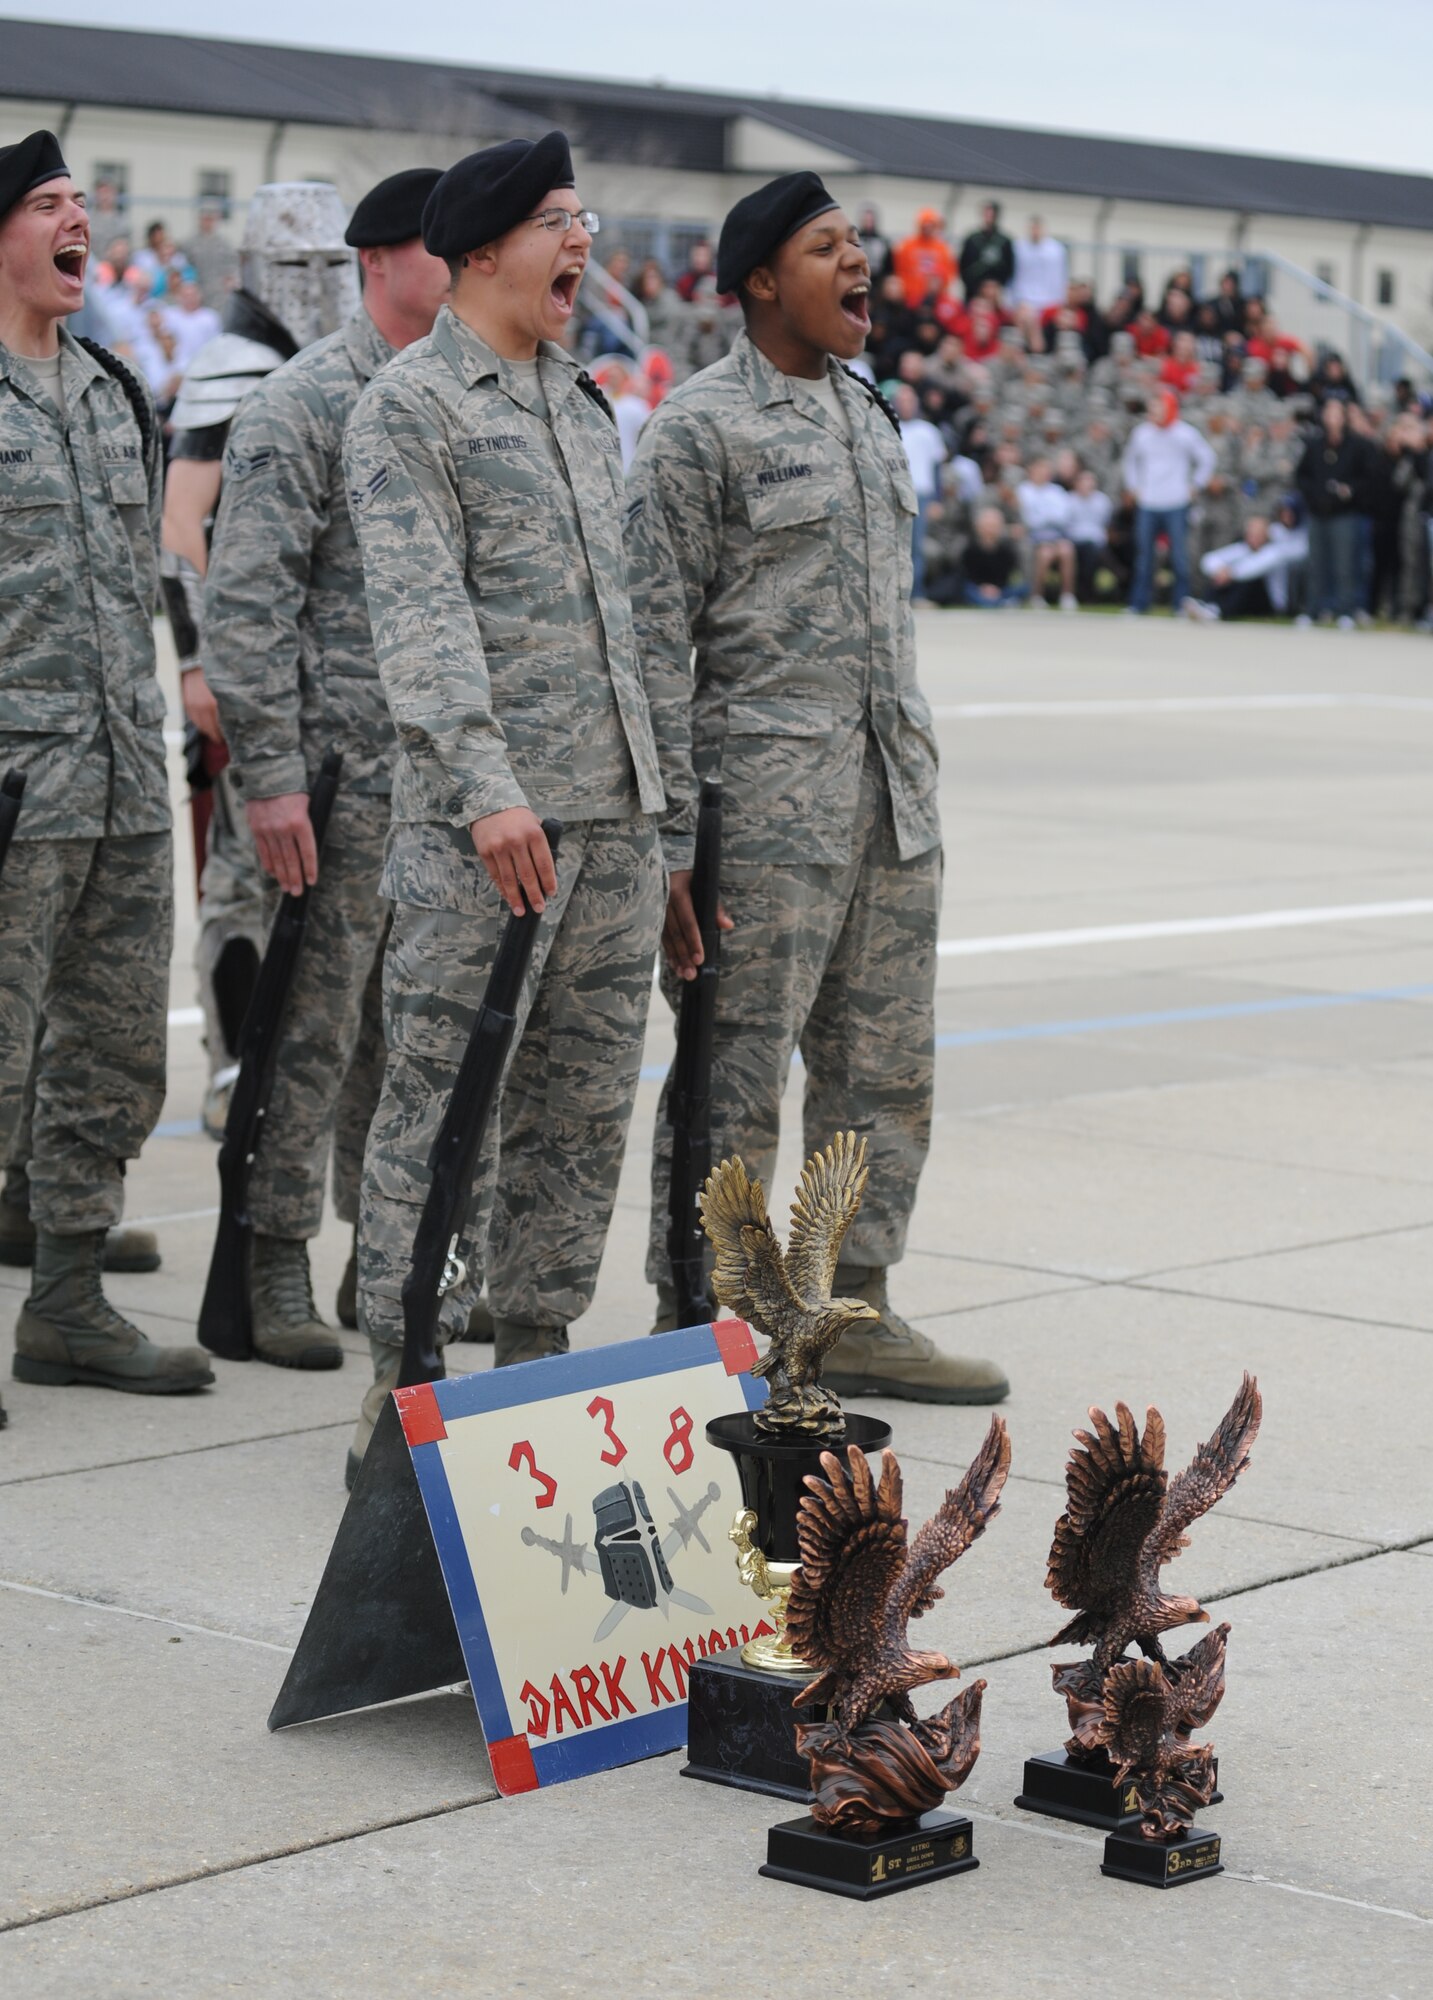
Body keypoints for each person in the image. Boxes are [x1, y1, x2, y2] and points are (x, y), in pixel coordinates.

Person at [626, 169, 1007, 1407]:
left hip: (889, 802)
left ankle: (852, 1305)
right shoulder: (698, 429)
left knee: (883, 1068)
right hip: (761, 812)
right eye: (827, 246)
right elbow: (646, 642)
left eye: (861, 245)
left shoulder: (867, 413)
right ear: (755, 281)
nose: (860, 265)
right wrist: (672, 837)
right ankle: (716, 1326)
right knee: (733, 1077)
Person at [341, 132, 666, 1480]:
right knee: (437, 1106)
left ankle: (532, 1366)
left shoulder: (584, 405)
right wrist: (485, 791)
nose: (581, 246)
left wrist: (670, 827)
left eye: (584, 221)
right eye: (557, 223)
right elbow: (422, 622)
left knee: (580, 1117)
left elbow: (632, 638)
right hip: (492, 837)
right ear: (480, 249)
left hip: (614, 831)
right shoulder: (411, 408)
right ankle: (401, 1385)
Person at [200, 168, 448, 1371]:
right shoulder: (303, 401)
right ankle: (271, 1255)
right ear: (380, 262)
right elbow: (242, 599)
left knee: (415, 1043)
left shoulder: (458, 399)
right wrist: (272, 774)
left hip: (437, 787)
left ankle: (389, 1263)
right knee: (305, 1033)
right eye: (443, 250)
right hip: (331, 782)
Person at [0, 131, 214, 1421]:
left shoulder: (112, 387)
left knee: (116, 1050)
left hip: (123, 781)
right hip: (14, 784)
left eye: (84, 204)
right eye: (46, 203)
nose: (79, 221)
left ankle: (66, 1299)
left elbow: (142, 577)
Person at [162, 184, 360, 1140]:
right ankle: (234, 1062)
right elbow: (178, 525)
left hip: (339, 683)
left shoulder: (354, 364)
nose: (322, 287)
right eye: (303, 267)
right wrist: (202, 664)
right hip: (253, 672)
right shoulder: (233, 363)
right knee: (241, 877)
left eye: (336, 264)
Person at [1122, 389, 1216, 613]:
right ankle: (1138, 603)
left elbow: (1207, 458)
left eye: (1158, 408)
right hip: (1148, 502)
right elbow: (1129, 461)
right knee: (1145, 557)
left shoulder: (1185, 434)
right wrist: (1134, 487)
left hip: (1176, 502)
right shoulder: (1141, 433)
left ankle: (1180, 604)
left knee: (1179, 557)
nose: (1153, 413)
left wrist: (1196, 485)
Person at [1296, 397, 1369, 626]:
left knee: (1344, 564)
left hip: (1344, 513)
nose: (1332, 417)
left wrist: (1350, 491)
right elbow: (1302, 475)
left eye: (1337, 412)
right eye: (1329, 412)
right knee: (1316, 563)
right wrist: (1313, 495)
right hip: (1318, 512)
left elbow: (1367, 478)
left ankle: (1345, 610)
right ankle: (1313, 609)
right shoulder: (1315, 444)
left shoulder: (1356, 445)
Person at [1186, 513, 1308, 620]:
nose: (1253, 538)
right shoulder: (1243, 548)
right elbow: (1208, 560)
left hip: (1271, 604)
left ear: (1266, 535)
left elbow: (1255, 568)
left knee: (1246, 581)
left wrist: (1230, 573)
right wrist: (1221, 571)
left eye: (1257, 534)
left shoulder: (1275, 552)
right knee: (1221, 574)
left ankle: (1218, 611)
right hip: (1246, 596)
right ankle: (1206, 604)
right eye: (1251, 534)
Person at [893, 380, 947, 602]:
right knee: (896, 544)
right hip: (896, 492)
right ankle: (895, 594)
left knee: (917, 546)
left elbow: (937, 467)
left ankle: (917, 593)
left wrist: (937, 499)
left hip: (921, 494)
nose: (906, 405)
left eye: (910, 400)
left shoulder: (928, 431)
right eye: (902, 400)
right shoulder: (889, 427)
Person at [1016, 455, 1077, 609]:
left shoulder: (1057, 491)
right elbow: (1029, 520)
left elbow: (1064, 517)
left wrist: (1044, 518)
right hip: (1035, 537)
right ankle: (1036, 595)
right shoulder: (1023, 490)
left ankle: (1067, 595)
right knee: (1045, 553)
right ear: (1032, 471)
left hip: (1056, 535)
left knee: (1066, 550)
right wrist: (1048, 518)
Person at [958, 506, 1027, 607]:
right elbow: (966, 574)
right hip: (977, 588)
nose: (990, 529)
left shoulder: (1007, 549)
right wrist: (983, 587)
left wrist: (996, 588)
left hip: (1000, 589)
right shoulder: (970, 548)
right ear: (978, 527)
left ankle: (998, 601)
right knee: (966, 589)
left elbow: (1008, 575)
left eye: (994, 526)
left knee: (1023, 588)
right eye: (988, 525)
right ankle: (999, 602)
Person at [1065, 466, 1113, 600]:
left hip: (1097, 543)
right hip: (1075, 542)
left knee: (1095, 551)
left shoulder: (1103, 501)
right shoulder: (1069, 500)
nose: (1087, 484)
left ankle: (1089, 591)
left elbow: (1106, 523)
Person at [892, 207, 955, 309]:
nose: (927, 228)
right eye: (924, 225)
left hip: (935, 300)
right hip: (910, 298)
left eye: (931, 225)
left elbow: (948, 275)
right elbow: (899, 271)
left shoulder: (943, 248)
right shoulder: (907, 246)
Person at [1009, 217, 1068, 316]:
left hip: (1049, 300)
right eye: (1033, 228)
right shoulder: (1018, 248)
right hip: (1023, 299)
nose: (1035, 231)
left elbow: (1060, 276)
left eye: (1038, 228)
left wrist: (1060, 299)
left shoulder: (1056, 250)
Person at [180, 204, 239, 300]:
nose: (208, 222)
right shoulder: (189, 243)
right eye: (205, 219)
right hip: (196, 290)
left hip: (218, 291)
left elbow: (232, 264)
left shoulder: (224, 243)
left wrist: (230, 280)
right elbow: (183, 266)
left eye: (211, 219)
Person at [958, 202, 1014, 300]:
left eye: (991, 214)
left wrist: (995, 286)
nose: (988, 217)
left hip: (995, 292)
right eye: (986, 214)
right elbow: (963, 264)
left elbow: (1009, 267)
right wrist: (975, 285)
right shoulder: (972, 239)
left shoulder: (1005, 241)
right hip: (973, 291)